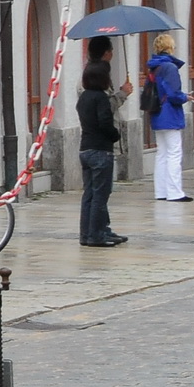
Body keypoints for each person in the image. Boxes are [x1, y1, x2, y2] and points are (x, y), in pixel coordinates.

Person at [77, 60, 124, 247]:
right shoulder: (101, 98)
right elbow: (105, 123)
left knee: (88, 194)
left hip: (85, 148)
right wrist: (115, 135)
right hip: (100, 150)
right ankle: (96, 235)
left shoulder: (84, 97)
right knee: (100, 195)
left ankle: (86, 233)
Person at [146, 33, 192, 201]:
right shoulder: (170, 67)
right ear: (170, 47)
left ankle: (161, 191)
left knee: (162, 153)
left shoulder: (153, 67)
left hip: (157, 113)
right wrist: (185, 97)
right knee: (174, 153)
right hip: (170, 114)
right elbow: (173, 94)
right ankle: (174, 192)